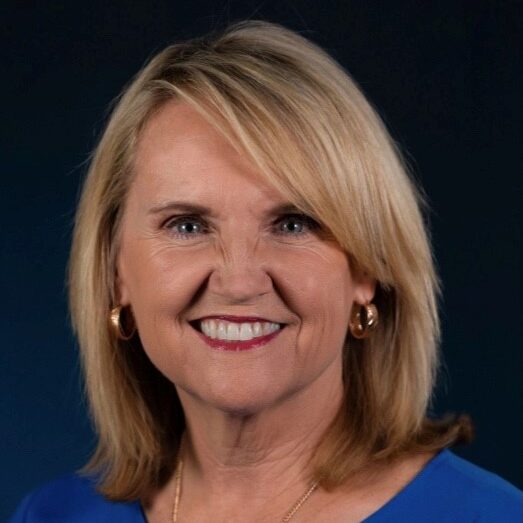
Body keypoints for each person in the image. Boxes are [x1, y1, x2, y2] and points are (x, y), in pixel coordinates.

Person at [9, 19, 521, 523]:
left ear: (367, 269)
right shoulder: (52, 515)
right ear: (116, 272)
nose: (239, 281)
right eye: (187, 226)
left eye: (293, 224)